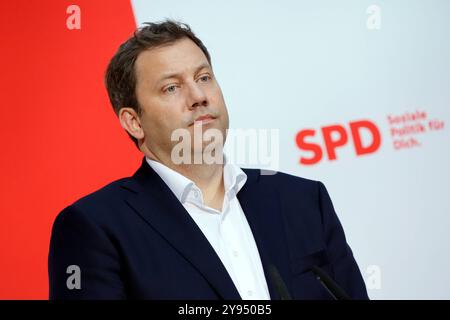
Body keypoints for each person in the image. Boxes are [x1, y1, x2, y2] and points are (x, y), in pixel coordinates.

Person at [48, 20, 368, 300]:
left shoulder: (303, 200)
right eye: (172, 87)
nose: (199, 96)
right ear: (134, 121)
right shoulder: (95, 228)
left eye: (203, 78)